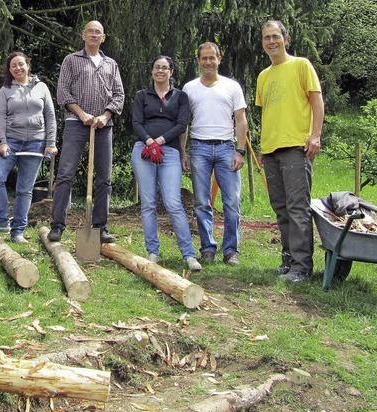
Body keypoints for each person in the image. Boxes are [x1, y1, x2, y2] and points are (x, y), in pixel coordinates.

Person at [256, 20, 324, 283]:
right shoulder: (263, 76)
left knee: (298, 208)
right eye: (266, 38)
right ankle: (288, 260)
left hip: (296, 147)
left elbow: (317, 101)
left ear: (286, 38)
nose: (271, 41)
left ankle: (302, 267)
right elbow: (268, 114)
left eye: (275, 36)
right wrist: (262, 149)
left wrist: (315, 135)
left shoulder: (301, 65)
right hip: (271, 150)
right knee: (281, 209)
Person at [48, 20, 124, 243]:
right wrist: (82, 114)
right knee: (65, 175)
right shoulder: (71, 60)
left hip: (103, 126)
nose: (93, 35)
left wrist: (105, 116)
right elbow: (63, 92)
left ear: (103, 37)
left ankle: (100, 227)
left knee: (104, 178)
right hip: (75, 123)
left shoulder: (111, 64)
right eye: (90, 31)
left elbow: (119, 96)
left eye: (97, 32)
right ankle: (58, 225)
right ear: (83, 35)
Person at [131, 55, 202, 271]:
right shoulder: (142, 95)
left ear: (171, 72)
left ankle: (188, 254)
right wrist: (149, 142)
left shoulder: (180, 97)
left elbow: (182, 124)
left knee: (173, 202)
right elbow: (136, 122)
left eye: (164, 68)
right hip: (143, 151)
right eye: (156, 67)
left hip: (169, 152)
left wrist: (160, 141)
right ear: (152, 72)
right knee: (148, 203)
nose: (160, 71)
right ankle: (152, 251)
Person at [182, 42, 248, 266]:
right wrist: (183, 151)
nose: (208, 62)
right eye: (204, 58)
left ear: (219, 59)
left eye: (212, 58)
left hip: (226, 148)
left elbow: (241, 120)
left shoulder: (232, 87)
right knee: (202, 202)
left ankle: (231, 251)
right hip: (199, 147)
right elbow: (184, 124)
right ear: (199, 61)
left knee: (232, 202)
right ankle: (207, 248)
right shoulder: (189, 88)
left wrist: (241, 150)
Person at [0, 52, 57, 243]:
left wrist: (50, 143)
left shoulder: (41, 88)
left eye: (20, 64)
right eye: (13, 66)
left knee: (25, 189)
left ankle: (18, 231)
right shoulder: (6, 90)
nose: (17, 68)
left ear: (28, 65)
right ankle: (1, 220)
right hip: (11, 141)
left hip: (36, 142)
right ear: (9, 70)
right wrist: (2, 141)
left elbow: (50, 115)